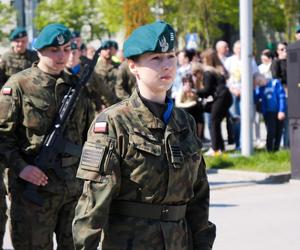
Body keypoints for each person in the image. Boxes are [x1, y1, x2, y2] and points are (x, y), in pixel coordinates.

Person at [72, 20, 216, 250]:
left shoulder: (183, 121)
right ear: (133, 66)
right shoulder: (113, 122)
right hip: (131, 241)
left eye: (170, 56)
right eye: (156, 59)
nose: (167, 65)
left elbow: (199, 194)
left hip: (180, 240)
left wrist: (202, 243)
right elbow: (93, 204)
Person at [0, 23, 94, 250]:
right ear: (39, 50)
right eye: (54, 50)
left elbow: (89, 137)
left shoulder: (77, 87)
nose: (62, 56)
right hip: (33, 194)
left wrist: (91, 180)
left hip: (73, 191)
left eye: (66, 49)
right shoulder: (19, 85)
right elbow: (2, 137)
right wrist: (21, 167)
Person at [65, 41, 118, 113]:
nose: (71, 56)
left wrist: (114, 110)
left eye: (74, 53)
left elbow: (105, 91)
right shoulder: (60, 73)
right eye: (68, 53)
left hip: (88, 116)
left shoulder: (88, 72)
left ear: (79, 53)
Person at [253, 73, 286, 152]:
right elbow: (255, 99)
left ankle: (276, 148)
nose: (260, 83)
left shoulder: (275, 83)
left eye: (260, 81)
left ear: (263, 76)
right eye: (258, 83)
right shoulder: (260, 89)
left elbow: (281, 97)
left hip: (278, 112)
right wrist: (254, 89)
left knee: (279, 131)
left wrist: (281, 110)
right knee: (271, 131)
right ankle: (269, 149)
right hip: (268, 113)